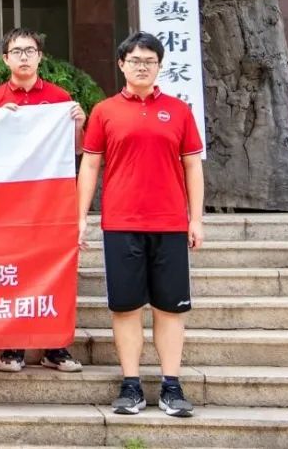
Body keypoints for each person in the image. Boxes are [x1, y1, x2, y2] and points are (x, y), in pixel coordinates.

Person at [77, 31, 204, 418]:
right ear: (122, 65)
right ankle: (130, 384)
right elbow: (90, 165)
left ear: (160, 65)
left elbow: (193, 166)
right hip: (121, 223)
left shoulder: (179, 111)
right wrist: (80, 217)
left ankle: (171, 385)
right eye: (135, 60)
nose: (142, 66)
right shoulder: (104, 111)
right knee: (126, 307)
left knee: (170, 309)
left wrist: (196, 218)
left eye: (150, 61)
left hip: (170, 223)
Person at [0, 27, 85, 374]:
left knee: (53, 269)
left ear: (40, 57)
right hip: (6, 202)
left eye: (29, 51)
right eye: (16, 52)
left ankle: (56, 346)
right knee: (11, 270)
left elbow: (76, 150)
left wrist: (78, 124)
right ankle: (13, 345)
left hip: (49, 201)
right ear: (5, 59)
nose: (23, 57)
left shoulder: (59, 98)